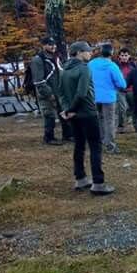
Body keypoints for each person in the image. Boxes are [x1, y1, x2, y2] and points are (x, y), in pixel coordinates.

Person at [59, 41, 114, 196]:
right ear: (79, 52)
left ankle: (80, 178)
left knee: (79, 146)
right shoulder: (84, 69)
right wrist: (71, 109)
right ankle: (98, 183)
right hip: (88, 113)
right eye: (87, 51)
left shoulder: (63, 70)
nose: (90, 53)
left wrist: (68, 110)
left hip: (73, 114)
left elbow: (61, 93)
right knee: (95, 147)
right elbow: (82, 93)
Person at [30, 36, 72, 145]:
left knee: (64, 112)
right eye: (50, 44)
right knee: (49, 115)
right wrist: (49, 93)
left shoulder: (57, 57)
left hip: (59, 91)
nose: (53, 46)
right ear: (43, 45)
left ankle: (68, 135)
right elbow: (38, 81)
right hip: (46, 92)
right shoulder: (38, 60)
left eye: (54, 44)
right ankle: (49, 138)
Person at [88, 43, 126, 154]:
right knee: (109, 121)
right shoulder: (112, 66)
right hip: (108, 97)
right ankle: (110, 145)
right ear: (111, 53)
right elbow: (121, 84)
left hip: (94, 96)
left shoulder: (91, 64)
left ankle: (99, 140)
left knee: (98, 118)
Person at [115, 48, 137, 134]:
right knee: (122, 108)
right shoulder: (116, 66)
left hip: (132, 90)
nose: (124, 57)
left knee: (135, 108)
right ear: (119, 56)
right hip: (120, 90)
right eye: (122, 55)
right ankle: (121, 127)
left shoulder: (133, 66)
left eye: (126, 55)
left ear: (129, 56)